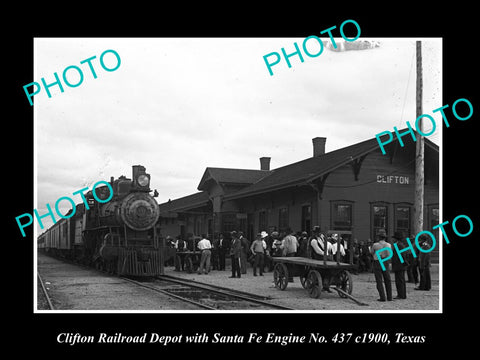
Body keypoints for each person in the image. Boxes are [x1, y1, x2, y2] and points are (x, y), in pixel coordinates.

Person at [370, 228, 392, 302]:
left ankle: (382, 297)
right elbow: (390, 255)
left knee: (379, 280)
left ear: (378, 237)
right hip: (385, 262)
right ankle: (389, 296)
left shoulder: (375, 245)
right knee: (387, 280)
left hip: (377, 262)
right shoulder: (388, 245)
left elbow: (372, 252)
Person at [391, 231, 407, 299]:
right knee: (400, 280)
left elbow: (402, 256)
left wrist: (400, 263)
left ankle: (401, 295)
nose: (393, 240)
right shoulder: (399, 245)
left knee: (399, 280)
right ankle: (401, 294)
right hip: (399, 265)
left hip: (399, 265)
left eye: (394, 238)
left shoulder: (399, 245)